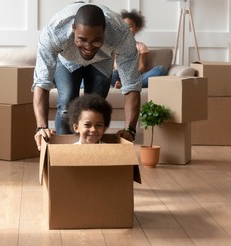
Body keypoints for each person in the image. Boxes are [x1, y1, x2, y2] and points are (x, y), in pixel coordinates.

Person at [32, 2, 141, 150]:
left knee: (95, 108)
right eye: (82, 39)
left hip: (102, 60)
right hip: (67, 60)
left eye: (96, 40)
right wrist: (41, 127)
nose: (88, 46)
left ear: (105, 31)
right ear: (73, 29)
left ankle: (91, 156)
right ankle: (64, 153)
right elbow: (41, 82)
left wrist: (130, 129)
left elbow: (132, 85)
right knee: (66, 104)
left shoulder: (121, 34)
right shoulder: (54, 32)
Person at [111, 9, 167, 89]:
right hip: (119, 76)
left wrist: (132, 75)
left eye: (130, 26)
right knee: (112, 73)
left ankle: (125, 86)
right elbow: (115, 65)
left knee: (161, 69)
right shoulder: (116, 46)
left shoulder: (141, 46)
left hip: (135, 77)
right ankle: (123, 85)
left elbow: (142, 67)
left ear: (136, 28)